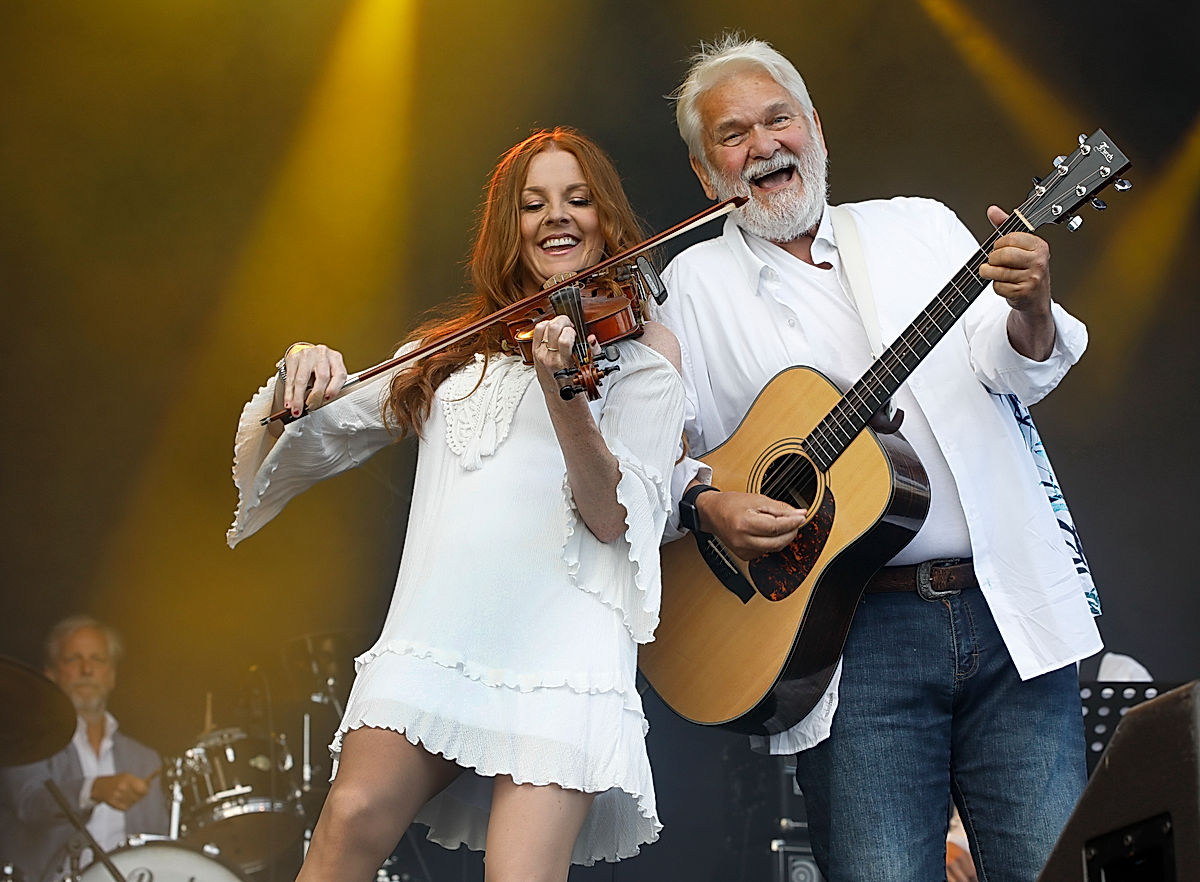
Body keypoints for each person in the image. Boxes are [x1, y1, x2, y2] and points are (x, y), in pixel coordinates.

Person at [654, 35, 1103, 882]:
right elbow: (648, 456)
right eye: (734, 134)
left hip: (1002, 606)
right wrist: (707, 503)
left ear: (815, 128)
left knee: (1051, 868)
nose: (764, 146)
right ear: (703, 173)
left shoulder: (919, 225)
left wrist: (1034, 305)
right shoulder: (691, 284)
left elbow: (1015, 368)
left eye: (778, 119)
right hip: (847, 635)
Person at [226, 127, 685, 881]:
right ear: (511, 229)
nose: (557, 216)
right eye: (533, 204)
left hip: (561, 649)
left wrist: (564, 391)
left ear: (606, 216)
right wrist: (300, 371)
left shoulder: (642, 354)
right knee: (348, 820)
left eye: (577, 199)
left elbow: (612, 517)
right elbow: (311, 427)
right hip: (440, 628)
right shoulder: (451, 351)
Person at [0, 616, 168, 882]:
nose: (87, 670)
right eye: (73, 659)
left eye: (98, 659)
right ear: (50, 674)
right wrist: (94, 789)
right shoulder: (24, 741)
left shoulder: (144, 759)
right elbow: (30, 803)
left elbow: (162, 846)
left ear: (112, 676)